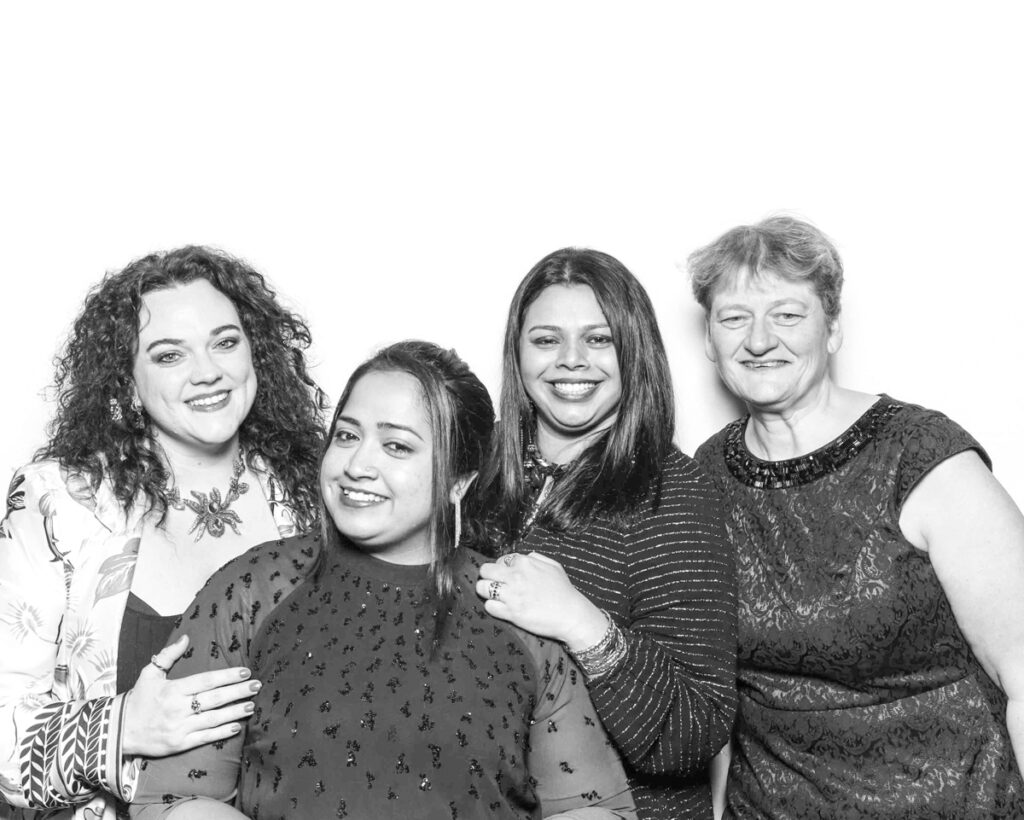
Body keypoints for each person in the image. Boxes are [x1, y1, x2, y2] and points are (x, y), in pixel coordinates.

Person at [128, 340, 637, 820]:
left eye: (396, 446)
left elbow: (594, 808)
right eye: (347, 436)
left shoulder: (516, 606)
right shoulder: (252, 591)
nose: (358, 465)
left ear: (460, 479)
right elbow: (173, 801)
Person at [688, 215, 1024, 818]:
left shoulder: (921, 457)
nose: (759, 340)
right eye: (734, 318)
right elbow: (720, 693)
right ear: (710, 342)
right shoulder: (707, 473)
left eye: (788, 315)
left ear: (833, 329)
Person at [0, 246, 326, 819]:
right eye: (170, 355)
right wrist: (124, 726)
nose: (208, 371)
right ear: (127, 384)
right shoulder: (59, 504)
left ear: (258, 354)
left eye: (225, 342)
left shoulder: (317, 496)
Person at [472, 248, 737, 820]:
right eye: (546, 340)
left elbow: (698, 731)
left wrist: (582, 624)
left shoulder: (674, 493)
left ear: (634, 351)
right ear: (517, 354)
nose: (572, 361)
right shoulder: (473, 468)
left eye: (599, 340)